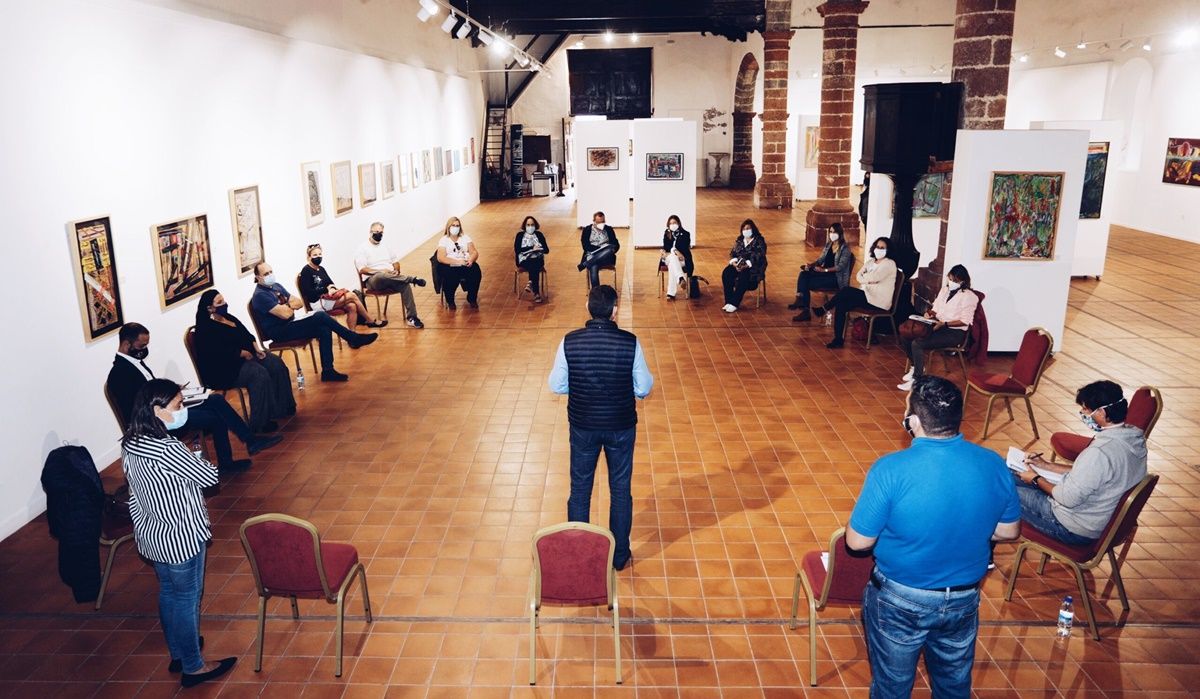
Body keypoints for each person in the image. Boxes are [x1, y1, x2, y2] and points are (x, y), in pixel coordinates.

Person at [847, 375, 1020, 698]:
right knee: (954, 684)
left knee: (892, 686)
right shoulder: (993, 463)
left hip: (900, 597)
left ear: (912, 421)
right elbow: (1008, 531)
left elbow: (857, 542)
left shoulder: (890, 469)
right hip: (964, 597)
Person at [121, 378, 239, 688]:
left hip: (153, 534)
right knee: (188, 598)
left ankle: (178, 652)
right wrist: (196, 453)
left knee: (169, 593)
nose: (182, 410)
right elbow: (209, 477)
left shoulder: (130, 442)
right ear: (157, 410)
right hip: (182, 534)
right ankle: (193, 667)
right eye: (178, 405)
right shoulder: (167, 448)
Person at [548, 285, 653, 571]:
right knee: (620, 490)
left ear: (588, 308)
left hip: (583, 425)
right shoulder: (630, 342)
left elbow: (556, 385)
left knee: (580, 489)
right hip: (620, 425)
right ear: (615, 310)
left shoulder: (569, 342)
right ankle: (619, 556)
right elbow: (643, 387)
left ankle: (579, 553)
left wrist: (581, 386)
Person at [106, 322, 280, 474]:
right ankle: (226, 463)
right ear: (127, 344)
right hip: (157, 421)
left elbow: (150, 390)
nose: (144, 350)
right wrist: (169, 401)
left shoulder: (134, 362)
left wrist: (172, 393)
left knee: (216, 400)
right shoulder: (119, 374)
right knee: (215, 418)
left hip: (165, 408)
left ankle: (250, 440)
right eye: (141, 346)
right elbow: (138, 408)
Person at [1017, 381, 1148, 546]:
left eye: (1085, 409)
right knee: (1010, 476)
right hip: (1098, 518)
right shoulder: (1134, 438)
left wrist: (1036, 479)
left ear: (1101, 412)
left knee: (999, 489)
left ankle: (986, 548)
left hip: (1073, 527)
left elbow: (1067, 498)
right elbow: (1094, 475)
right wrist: (1046, 466)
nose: (1082, 412)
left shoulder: (1100, 452)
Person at [249, 262, 377, 382]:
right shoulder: (260, 295)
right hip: (279, 332)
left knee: (323, 329)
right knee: (320, 316)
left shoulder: (276, 286)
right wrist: (289, 305)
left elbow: (298, 302)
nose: (270, 275)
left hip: (289, 324)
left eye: (271, 272)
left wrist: (286, 306)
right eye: (266, 274)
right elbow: (285, 314)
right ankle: (352, 337)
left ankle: (328, 371)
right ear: (258, 277)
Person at [193, 289, 296, 434]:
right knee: (258, 374)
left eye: (223, 300)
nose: (224, 304)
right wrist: (241, 353)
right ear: (210, 308)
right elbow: (217, 352)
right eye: (219, 302)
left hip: (247, 356)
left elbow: (247, 335)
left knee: (275, 363)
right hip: (225, 368)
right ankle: (260, 423)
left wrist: (256, 348)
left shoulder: (229, 318)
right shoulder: (205, 329)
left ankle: (283, 406)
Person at [898, 264, 979, 391]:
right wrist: (929, 314)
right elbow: (936, 309)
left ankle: (918, 380)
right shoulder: (945, 290)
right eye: (950, 278)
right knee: (906, 334)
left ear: (963, 281)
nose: (951, 282)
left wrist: (945, 324)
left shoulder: (969, 297)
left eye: (955, 280)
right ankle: (916, 366)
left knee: (917, 344)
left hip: (954, 333)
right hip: (937, 324)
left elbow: (965, 321)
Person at [815, 236, 898, 348]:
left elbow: (874, 277)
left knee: (846, 290)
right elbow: (859, 276)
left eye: (882, 247)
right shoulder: (870, 262)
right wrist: (869, 279)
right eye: (877, 246)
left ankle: (824, 308)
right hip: (867, 296)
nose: (879, 249)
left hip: (877, 301)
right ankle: (838, 340)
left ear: (888, 250)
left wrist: (868, 277)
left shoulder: (889, 264)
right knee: (841, 304)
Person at [353, 222, 426, 329]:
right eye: (376, 232)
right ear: (370, 232)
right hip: (373, 280)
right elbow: (362, 269)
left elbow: (396, 262)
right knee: (381, 275)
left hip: (390, 277)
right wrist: (380, 271)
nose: (379, 234)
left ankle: (412, 317)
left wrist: (396, 270)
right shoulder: (362, 248)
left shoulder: (386, 246)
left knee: (405, 285)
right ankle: (411, 279)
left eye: (381, 232)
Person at [297, 244, 385, 328]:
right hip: (317, 303)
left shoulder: (321, 269)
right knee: (352, 296)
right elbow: (308, 293)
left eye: (320, 254)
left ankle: (352, 337)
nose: (318, 257)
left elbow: (330, 283)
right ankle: (370, 320)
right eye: (315, 255)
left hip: (327, 299)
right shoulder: (306, 271)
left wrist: (331, 288)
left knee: (352, 306)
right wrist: (326, 289)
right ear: (309, 257)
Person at [790, 222, 853, 322]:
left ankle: (805, 309)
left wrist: (825, 270)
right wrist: (812, 264)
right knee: (804, 274)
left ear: (840, 233)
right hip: (824, 274)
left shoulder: (845, 249)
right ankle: (800, 298)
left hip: (835, 278)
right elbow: (821, 259)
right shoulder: (829, 245)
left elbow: (840, 267)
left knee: (806, 283)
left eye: (834, 232)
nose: (832, 234)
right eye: (830, 232)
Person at [435, 216, 482, 310]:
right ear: (448, 227)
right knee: (450, 277)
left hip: (464, 263)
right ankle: (450, 300)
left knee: (476, 271)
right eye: (453, 225)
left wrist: (471, 260)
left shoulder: (465, 238)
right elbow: (441, 257)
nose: (455, 228)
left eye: (458, 226)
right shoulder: (444, 240)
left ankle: (472, 298)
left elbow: (474, 252)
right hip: (449, 265)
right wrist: (457, 262)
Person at [721, 219, 768, 313]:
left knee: (744, 276)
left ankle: (734, 303)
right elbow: (733, 252)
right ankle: (728, 301)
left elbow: (759, 255)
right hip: (739, 265)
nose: (746, 230)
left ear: (753, 229)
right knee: (727, 273)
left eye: (748, 228)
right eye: (744, 229)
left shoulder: (759, 241)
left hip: (753, 267)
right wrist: (734, 262)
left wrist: (746, 264)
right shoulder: (740, 240)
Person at [579, 211, 620, 289]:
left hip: (606, 257)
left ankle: (587, 263)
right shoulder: (587, 230)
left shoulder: (609, 229)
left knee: (609, 250)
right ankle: (596, 292)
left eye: (603, 222)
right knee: (594, 265)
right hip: (592, 254)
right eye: (598, 222)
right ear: (594, 221)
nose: (601, 224)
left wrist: (611, 249)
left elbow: (616, 244)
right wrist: (599, 250)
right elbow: (585, 245)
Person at [515, 215, 550, 303]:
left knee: (535, 263)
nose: (530, 227)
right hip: (524, 260)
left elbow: (546, 250)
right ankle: (536, 292)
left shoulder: (539, 235)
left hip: (538, 259)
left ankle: (531, 282)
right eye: (528, 225)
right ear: (525, 226)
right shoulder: (520, 235)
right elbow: (517, 249)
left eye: (532, 225)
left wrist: (539, 248)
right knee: (533, 265)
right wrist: (531, 248)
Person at [659, 215, 694, 301]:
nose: (672, 225)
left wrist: (673, 252)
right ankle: (680, 278)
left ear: (678, 223)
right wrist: (672, 251)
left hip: (682, 259)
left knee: (672, 264)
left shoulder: (686, 234)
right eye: (670, 223)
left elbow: (684, 248)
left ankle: (671, 293)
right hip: (669, 257)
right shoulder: (666, 233)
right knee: (673, 258)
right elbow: (666, 246)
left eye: (674, 223)